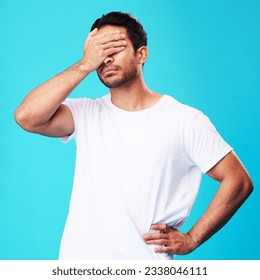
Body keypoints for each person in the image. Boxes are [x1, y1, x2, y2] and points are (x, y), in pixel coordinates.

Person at [14, 11, 253, 260]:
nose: (105, 59)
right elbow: (26, 116)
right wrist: (85, 63)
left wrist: (191, 239)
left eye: (114, 48)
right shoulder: (86, 113)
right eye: (99, 51)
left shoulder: (184, 120)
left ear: (141, 54)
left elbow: (238, 180)